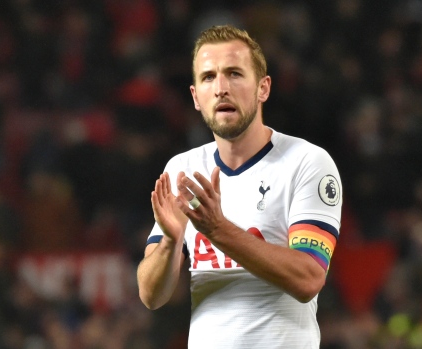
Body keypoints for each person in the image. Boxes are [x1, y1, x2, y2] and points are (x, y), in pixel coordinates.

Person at [137, 24, 343, 348]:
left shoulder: (307, 163)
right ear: (195, 97)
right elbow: (151, 295)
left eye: (234, 73)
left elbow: (309, 278)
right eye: (208, 77)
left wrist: (217, 229)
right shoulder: (183, 170)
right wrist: (170, 244)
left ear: (263, 88)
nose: (220, 88)